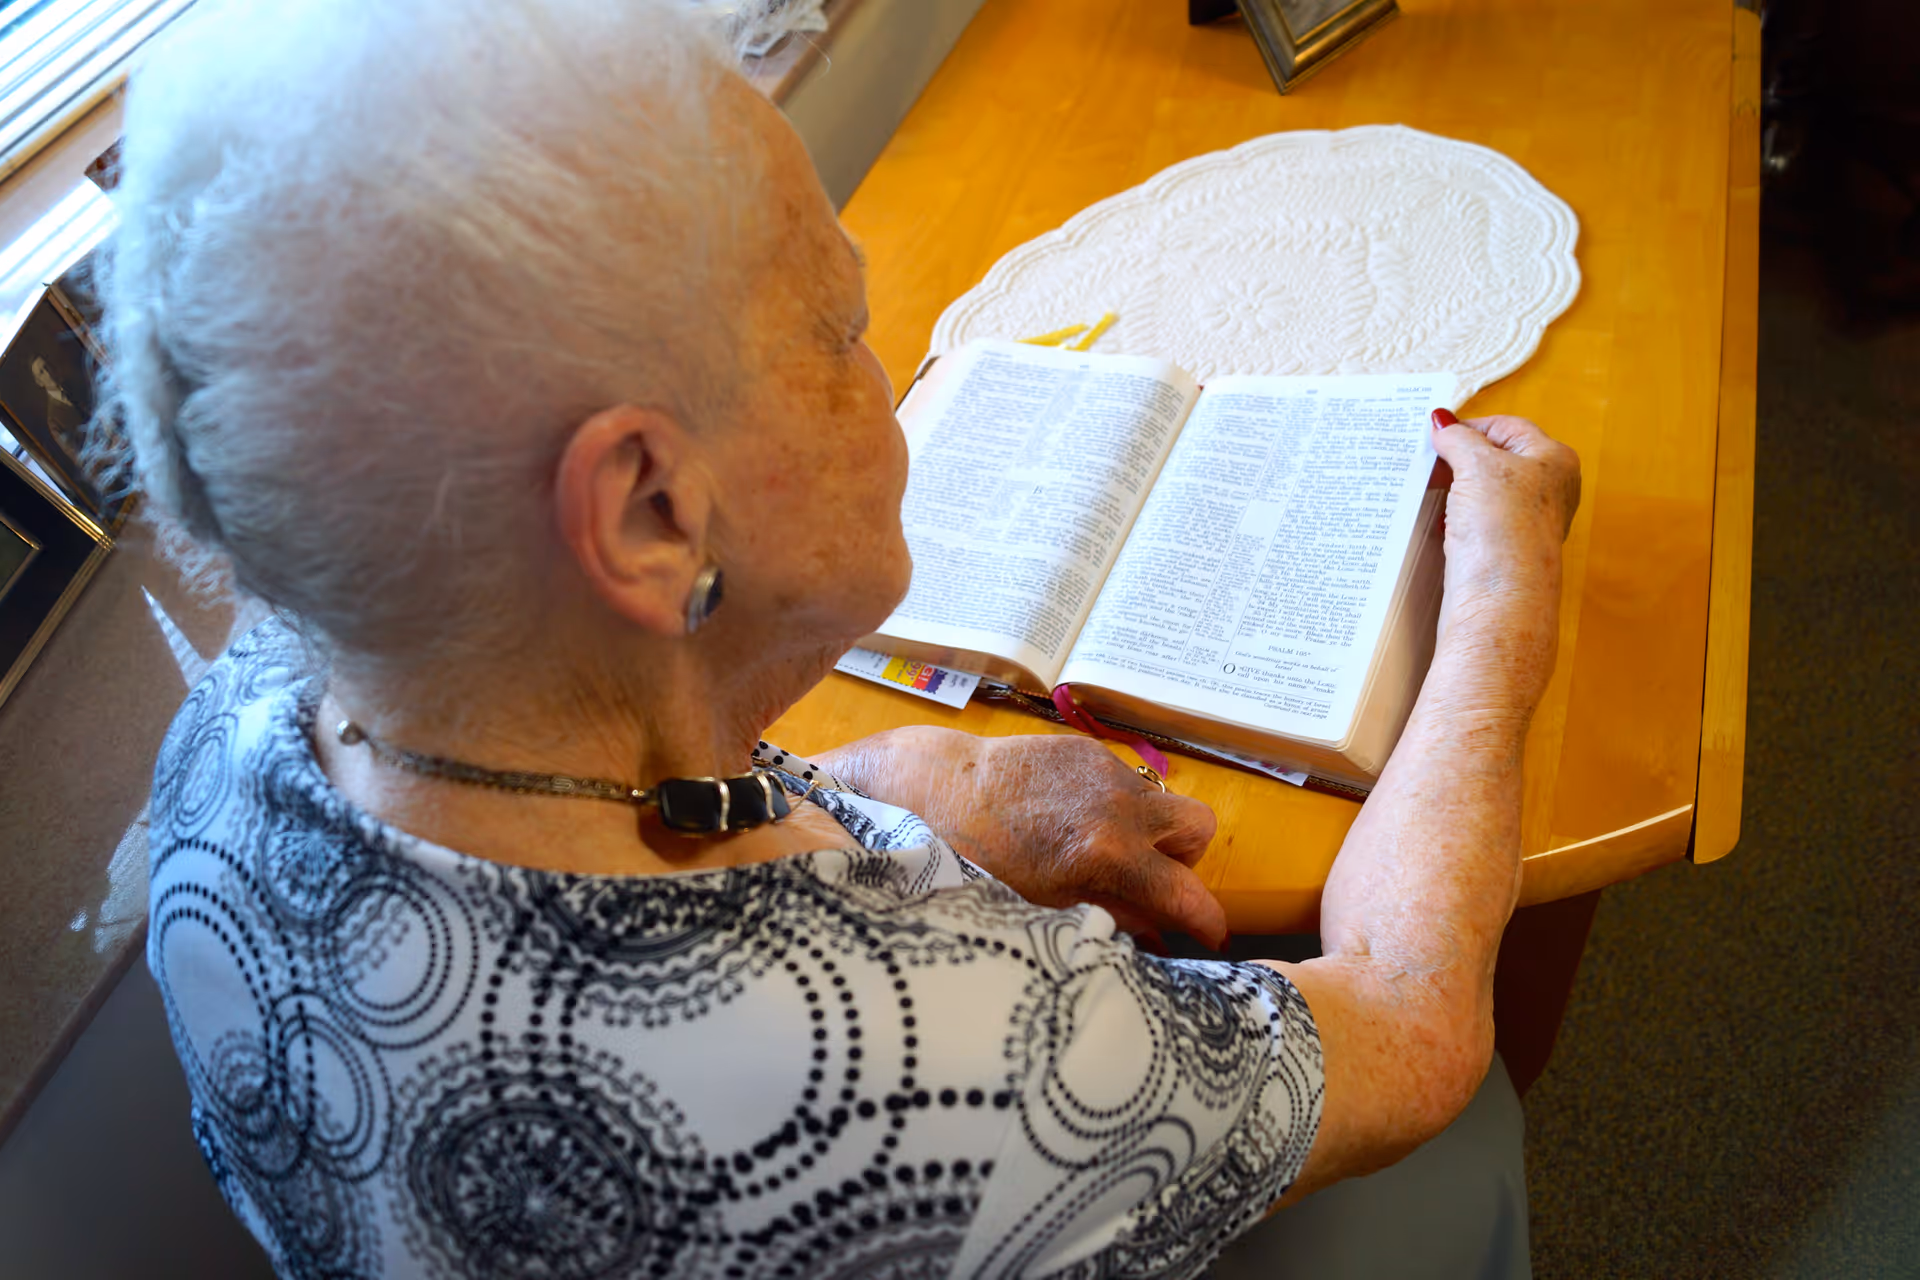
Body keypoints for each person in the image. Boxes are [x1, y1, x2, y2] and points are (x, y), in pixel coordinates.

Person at [106, 0, 1580, 1276]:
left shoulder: (248, 732)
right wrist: (1501, 601)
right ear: (646, 516)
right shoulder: (918, 1074)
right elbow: (1408, 1017)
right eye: (842, 331)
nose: (891, 376)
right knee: (1460, 1157)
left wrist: (932, 787)